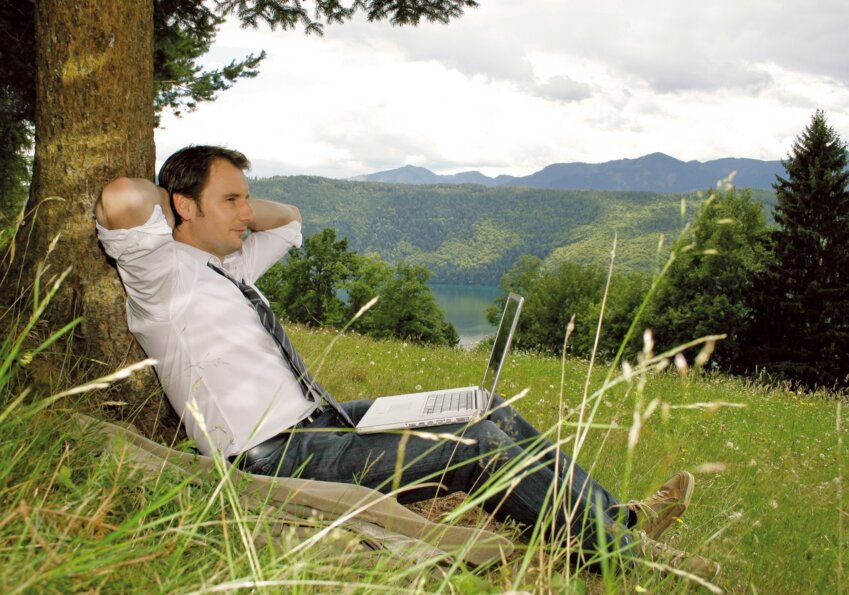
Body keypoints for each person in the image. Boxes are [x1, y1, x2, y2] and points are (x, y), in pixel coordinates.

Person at [95, 145, 717, 577]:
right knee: (476, 446)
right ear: (183, 206)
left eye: (246, 199)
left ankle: (619, 517)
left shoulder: (228, 266)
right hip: (269, 453)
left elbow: (290, 222)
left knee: (482, 407)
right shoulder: (160, 276)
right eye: (231, 200)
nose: (246, 213)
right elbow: (124, 196)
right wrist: (180, 196)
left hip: (324, 422)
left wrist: (234, 208)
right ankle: (624, 558)